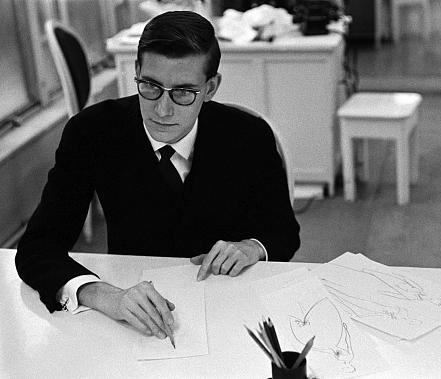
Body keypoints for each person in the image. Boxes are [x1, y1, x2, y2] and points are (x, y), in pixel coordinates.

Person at [15, 11, 300, 343]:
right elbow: (37, 249)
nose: (162, 110)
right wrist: (103, 294)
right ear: (136, 72)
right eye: (150, 86)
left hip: (231, 314)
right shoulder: (91, 132)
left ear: (211, 88)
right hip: (130, 316)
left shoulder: (248, 136)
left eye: (183, 92)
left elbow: (283, 232)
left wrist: (252, 247)